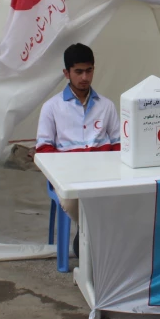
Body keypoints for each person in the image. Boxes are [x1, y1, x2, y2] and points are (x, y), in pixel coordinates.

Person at [35, 43, 119, 254]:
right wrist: (70, 169)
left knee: (127, 196)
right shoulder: (52, 108)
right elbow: (43, 150)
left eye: (89, 71)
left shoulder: (106, 106)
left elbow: (119, 145)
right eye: (78, 72)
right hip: (68, 178)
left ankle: (93, 241)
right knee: (72, 198)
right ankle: (91, 237)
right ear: (66, 73)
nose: (84, 77)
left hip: (103, 175)